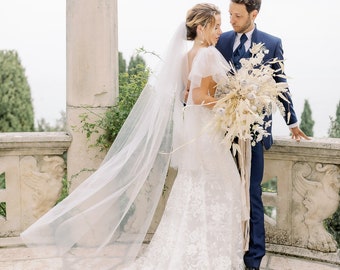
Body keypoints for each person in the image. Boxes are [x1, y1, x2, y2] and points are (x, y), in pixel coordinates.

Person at [21, 3, 247, 269]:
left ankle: (186, 249)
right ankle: (211, 255)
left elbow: (184, 96)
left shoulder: (184, 57)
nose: (220, 31)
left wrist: (209, 98)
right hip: (206, 131)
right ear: (201, 27)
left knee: (192, 187)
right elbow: (198, 97)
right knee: (218, 188)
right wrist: (232, 102)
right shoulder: (208, 55)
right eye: (216, 26)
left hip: (193, 130)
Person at [215, 1, 310, 269]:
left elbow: (281, 84)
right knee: (225, 191)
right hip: (223, 131)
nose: (231, 20)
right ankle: (229, 246)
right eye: (230, 14)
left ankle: (254, 257)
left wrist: (292, 122)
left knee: (252, 192)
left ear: (253, 14)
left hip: (255, 131)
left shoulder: (272, 42)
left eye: (237, 15)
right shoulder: (220, 41)